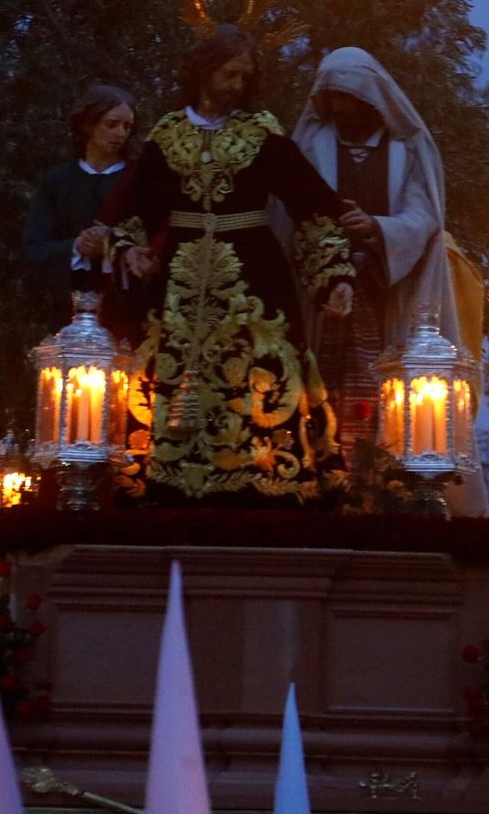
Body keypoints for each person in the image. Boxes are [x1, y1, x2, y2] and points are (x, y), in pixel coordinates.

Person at [101, 25, 355, 503]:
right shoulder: (168, 133)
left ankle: (266, 476)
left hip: (253, 274)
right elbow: (133, 209)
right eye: (229, 73)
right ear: (203, 71)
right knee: (164, 373)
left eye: (245, 76)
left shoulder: (261, 131)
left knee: (260, 368)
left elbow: (312, 206)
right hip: (177, 281)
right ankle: (162, 476)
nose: (237, 84)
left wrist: (333, 275)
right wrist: (129, 249)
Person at [291, 48, 486, 514]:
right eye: (332, 98)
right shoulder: (312, 144)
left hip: (387, 297)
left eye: (348, 99)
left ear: (371, 97)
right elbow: (290, 209)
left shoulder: (408, 149)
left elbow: (425, 216)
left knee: (389, 400)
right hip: (324, 303)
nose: (339, 109)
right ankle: (324, 486)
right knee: (323, 398)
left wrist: (378, 229)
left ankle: (388, 487)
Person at [21, 84, 140, 334]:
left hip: (127, 317)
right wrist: (77, 247)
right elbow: (34, 250)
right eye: (112, 124)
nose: (120, 134)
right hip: (67, 320)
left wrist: (113, 244)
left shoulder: (138, 182)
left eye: (127, 127)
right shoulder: (57, 182)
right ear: (88, 125)